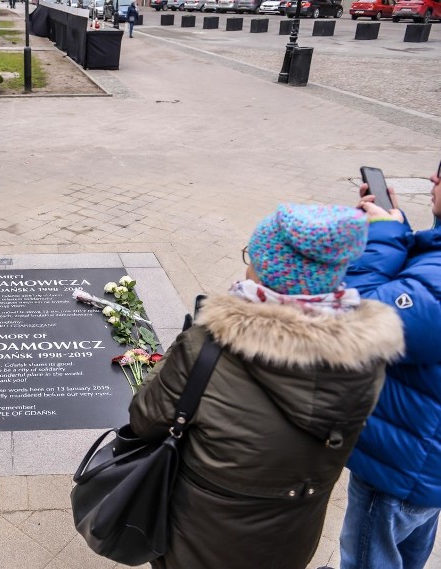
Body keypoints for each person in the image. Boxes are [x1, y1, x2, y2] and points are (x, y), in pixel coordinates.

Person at [128, 204, 405, 569]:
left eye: (251, 256)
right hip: (291, 538)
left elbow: (145, 418)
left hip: (201, 536)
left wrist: (169, 362)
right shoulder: (368, 357)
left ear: (266, 268)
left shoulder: (206, 348)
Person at [335, 163, 441, 569]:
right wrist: (398, 225)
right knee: (409, 549)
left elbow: (359, 319)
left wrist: (381, 237)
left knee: (368, 557)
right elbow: (421, 284)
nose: (433, 179)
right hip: (424, 460)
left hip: (401, 465)